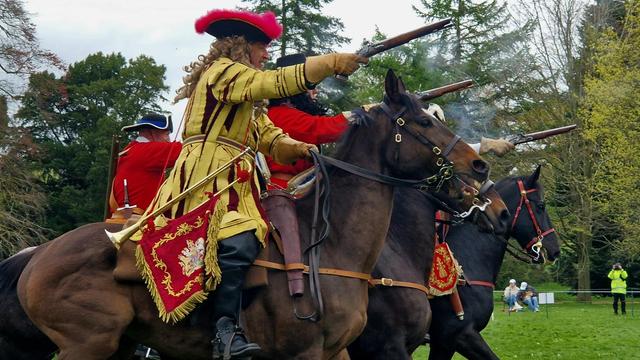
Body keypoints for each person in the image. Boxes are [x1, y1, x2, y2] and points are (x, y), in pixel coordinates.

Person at [142, 9, 367, 359]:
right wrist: (330, 62)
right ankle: (221, 332)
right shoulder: (224, 73)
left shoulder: (244, 92)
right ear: (242, 46)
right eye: (262, 48)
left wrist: (297, 147)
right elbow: (273, 84)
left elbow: (269, 137)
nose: (265, 56)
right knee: (239, 243)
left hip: (233, 180)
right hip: (207, 176)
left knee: (251, 240)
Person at [108, 113, 182, 221]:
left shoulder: (131, 149)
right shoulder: (147, 150)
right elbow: (191, 148)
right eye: (166, 134)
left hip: (125, 216)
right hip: (140, 219)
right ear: (153, 132)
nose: (169, 140)